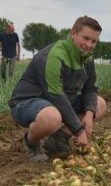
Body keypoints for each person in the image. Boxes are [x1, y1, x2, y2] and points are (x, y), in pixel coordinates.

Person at [9, 16, 106, 162]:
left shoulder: (87, 57)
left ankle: (58, 139)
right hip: (27, 102)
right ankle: (31, 143)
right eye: (86, 38)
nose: (89, 45)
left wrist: (89, 113)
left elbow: (90, 88)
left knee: (99, 104)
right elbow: (56, 96)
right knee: (52, 117)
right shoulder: (53, 56)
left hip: (58, 102)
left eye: (94, 41)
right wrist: (79, 131)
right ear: (73, 33)